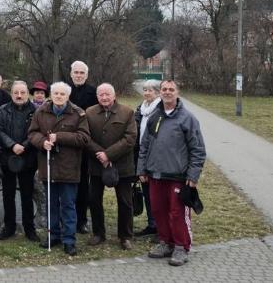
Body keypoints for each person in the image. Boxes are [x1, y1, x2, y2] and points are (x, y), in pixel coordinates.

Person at [138, 80, 206, 266]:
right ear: (159, 92)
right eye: (164, 89)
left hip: (178, 177)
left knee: (177, 214)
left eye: (171, 89)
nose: (167, 92)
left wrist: (193, 175)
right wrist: (141, 169)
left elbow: (198, 149)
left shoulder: (187, 118)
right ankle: (165, 242)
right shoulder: (155, 117)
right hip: (155, 175)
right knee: (158, 211)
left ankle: (181, 247)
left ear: (177, 92)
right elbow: (145, 145)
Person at [28, 82, 90, 256]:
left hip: (69, 167)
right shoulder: (41, 112)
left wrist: (59, 137)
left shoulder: (78, 113)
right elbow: (32, 133)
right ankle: (53, 235)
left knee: (68, 206)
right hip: (48, 166)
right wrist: (42, 142)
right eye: (56, 93)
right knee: (51, 204)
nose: (59, 96)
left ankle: (69, 240)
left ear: (68, 96)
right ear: (51, 94)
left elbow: (84, 138)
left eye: (62, 94)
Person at [85, 83, 137, 250]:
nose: (104, 98)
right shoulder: (89, 112)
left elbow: (130, 139)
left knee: (125, 202)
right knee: (94, 200)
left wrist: (109, 155)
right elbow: (85, 137)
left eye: (107, 94)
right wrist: (100, 154)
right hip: (96, 164)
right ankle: (98, 233)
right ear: (97, 96)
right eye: (101, 95)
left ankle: (125, 236)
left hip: (122, 165)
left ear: (114, 95)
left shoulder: (127, 112)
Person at [0, 81, 39, 242]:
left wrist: (24, 146)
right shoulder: (3, 109)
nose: (19, 96)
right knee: (8, 194)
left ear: (27, 93)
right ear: (11, 93)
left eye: (22, 92)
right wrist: (12, 145)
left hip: (28, 158)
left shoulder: (36, 110)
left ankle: (30, 229)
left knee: (27, 194)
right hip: (8, 157)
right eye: (16, 93)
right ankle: (9, 227)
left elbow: (37, 131)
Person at [68, 60, 95, 234]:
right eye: (76, 72)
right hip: (67, 144)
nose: (78, 75)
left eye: (81, 73)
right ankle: (68, 217)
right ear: (71, 74)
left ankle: (82, 220)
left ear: (86, 75)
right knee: (68, 183)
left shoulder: (93, 93)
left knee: (84, 183)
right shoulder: (64, 91)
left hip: (85, 144)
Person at [134, 79, 162, 237]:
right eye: (144, 90)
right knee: (146, 192)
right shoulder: (141, 108)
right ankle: (152, 224)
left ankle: (161, 227)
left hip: (156, 156)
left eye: (150, 90)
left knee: (157, 193)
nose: (146, 93)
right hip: (141, 155)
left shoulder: (160, 109)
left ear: (157, 92)